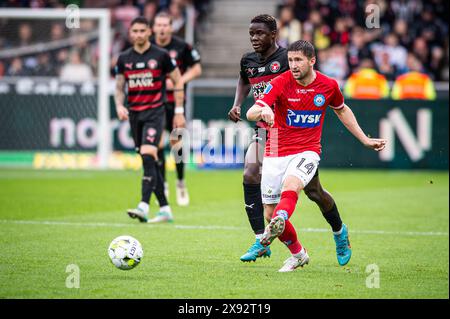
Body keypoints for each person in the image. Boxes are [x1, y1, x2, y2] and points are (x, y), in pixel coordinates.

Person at [246, 40, 386, 272]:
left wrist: (364, 139)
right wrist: (264, 109)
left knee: (291, 188)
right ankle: (299, 254)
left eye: (298, 60)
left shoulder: (328, 85)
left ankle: (338, 232)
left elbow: (341, 109)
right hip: (276, 149)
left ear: (312, 61)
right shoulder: (280, 82)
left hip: (307, 150)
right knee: (303, 199)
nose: (293, 65)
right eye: (290, 60)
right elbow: (251, 112)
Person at [228, 15, 354, 266]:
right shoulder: (248, 60)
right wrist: (238, 104)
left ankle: (339, 230)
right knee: (250, 172)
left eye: (260, 33)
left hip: (294, 135)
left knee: (315, 193)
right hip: (266, 131)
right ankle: (260, 239)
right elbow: (244, 79)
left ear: (274, 35)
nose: (254, 38)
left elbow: (310, 85)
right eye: (251, 33)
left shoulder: (289, 60)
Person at [114, 16, 185, 224]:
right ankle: (165, 209)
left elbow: (177, 79)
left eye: (141, 31)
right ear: (130, 33)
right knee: (150, 160)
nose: (138, 35)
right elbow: (119, 87)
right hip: (134, 114)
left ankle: (143, 205)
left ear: (149, 32)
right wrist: (119, 105)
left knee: (148, 153)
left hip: (155, 112)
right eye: (134, 31)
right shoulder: (123, 58)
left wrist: (179, 110)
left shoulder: (161, 56)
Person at [151, 11, 202, 206]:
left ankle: (180, 182)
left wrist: (180, 80)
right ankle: (163, 184)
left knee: (177, 145)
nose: (162, 28)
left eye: (166, 25)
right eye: (159, 25)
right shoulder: (149, 47)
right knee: (158, 144)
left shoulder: (182, 47)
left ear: (171, 27)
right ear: (154, 28)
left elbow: (197, 69)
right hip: (155, 103)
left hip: (177, 102)